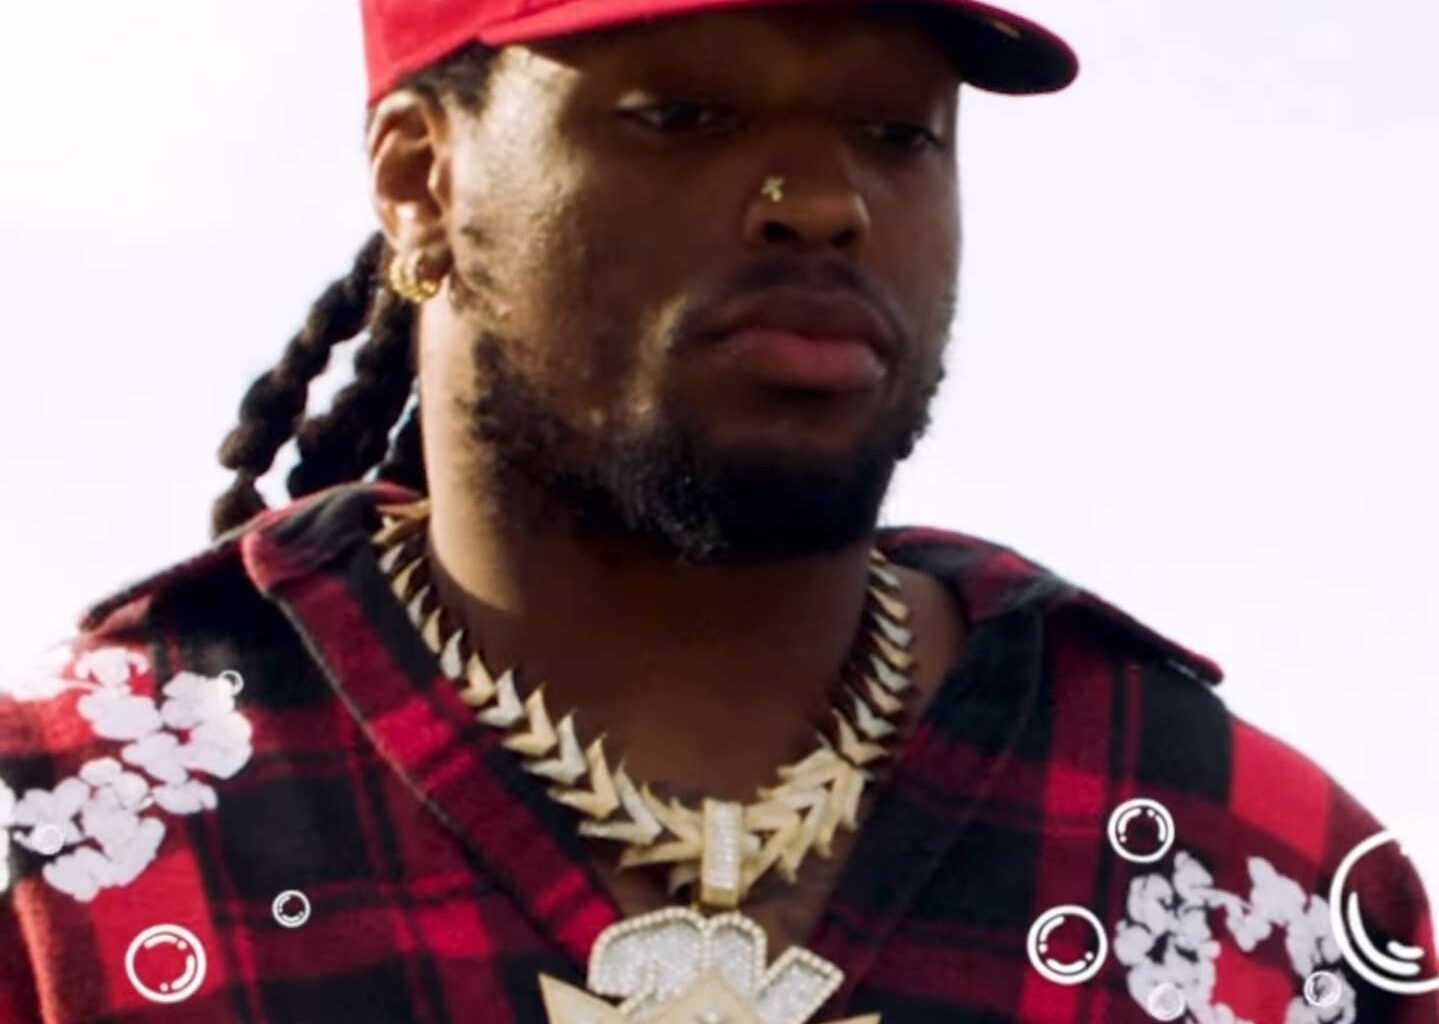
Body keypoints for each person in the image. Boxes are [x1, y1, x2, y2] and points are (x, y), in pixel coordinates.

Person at [0, 1, 1434, 1021]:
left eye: (897, 130)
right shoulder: (60, 847)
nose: (821, 202)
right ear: (419, 179)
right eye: (681, 113)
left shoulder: (1261, 873)